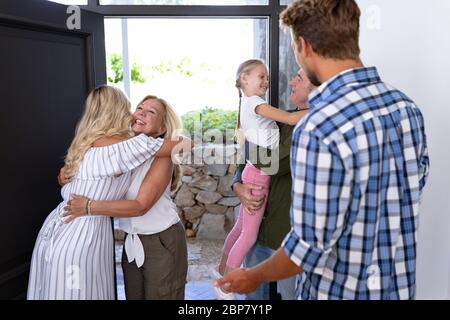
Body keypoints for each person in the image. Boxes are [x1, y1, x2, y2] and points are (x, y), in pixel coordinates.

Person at [217, 0, 430, 300]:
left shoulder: (318, 125)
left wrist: (254, 275)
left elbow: (309, 246)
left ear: (304, 46)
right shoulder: (407, 109)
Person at [27, 86, 189, 300]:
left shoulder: (154, 154)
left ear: (161, 127)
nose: (141, 112)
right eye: (139, 108)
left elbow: (140, 205)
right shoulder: (119, 147)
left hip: (159, 238)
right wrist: (66, 175)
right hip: (129, 240)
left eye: (151, 112)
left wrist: (88, 206)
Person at [213, 59, 308, 299]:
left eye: (300, 77)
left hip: (283, 238)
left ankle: (223, 276)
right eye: (262, 77)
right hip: (261, 235)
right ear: (244, 79)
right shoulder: (279, 116)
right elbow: (249, 158)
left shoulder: (308, 126)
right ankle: (225, 280)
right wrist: (237, 186)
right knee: (255, 299)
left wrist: (250, 160)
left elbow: (273, 163)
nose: (292, 81)